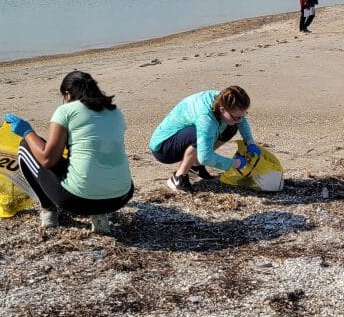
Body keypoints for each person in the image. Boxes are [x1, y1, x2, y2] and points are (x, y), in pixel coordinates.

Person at [4, 71, 134, 232]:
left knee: (27, 146)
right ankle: (99, 215)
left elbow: (47, 159)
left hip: (75, 200)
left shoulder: (66, 111)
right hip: (121, 197)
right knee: (94, 160)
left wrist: (27, 132)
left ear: (67, 93)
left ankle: (49, 211)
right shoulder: (115, 112)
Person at [149, 86, 261, 192]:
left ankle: (195, 166)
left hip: (184, 135)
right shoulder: (206, 119)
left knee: (231, 128)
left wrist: (250, 142)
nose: (240, 119)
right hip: (163, 148)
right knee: (199, 134)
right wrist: (235, 163)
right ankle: (178, 177)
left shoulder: (223, 99)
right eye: (237, 116)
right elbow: (206, 158)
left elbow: (240, 119)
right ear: (222, 110)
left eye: (243, 114)